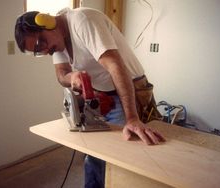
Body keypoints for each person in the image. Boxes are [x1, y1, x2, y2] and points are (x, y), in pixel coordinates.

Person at [14, 7, 165, 188]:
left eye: (40, 43)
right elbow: (62, 74)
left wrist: (132, 118)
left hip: (129, 90)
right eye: (38, 51)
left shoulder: (83, 20)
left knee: (123, 158)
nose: (45, 51)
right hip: (102, 95)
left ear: (48, 22)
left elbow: (115, 65)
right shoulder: (57, 42)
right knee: (94, 154)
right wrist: (72, 77)